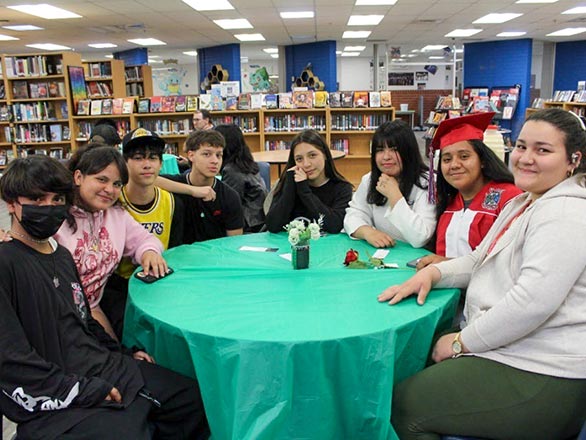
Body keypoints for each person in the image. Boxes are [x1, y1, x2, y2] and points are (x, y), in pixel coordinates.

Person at [379, 108, 586, 440]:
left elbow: (531, 302)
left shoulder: (565, 211)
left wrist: (461, 343)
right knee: (415, 356)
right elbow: (477, 260)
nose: (526, 158)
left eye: (543, 150)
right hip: (514, 351)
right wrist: (432, 275)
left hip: (543, 372)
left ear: (573, 159)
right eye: (521, 146)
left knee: (400, 407)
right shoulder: (523, 203)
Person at [0, 155, 208, 439]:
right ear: (11, 203)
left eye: (56, 200)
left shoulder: (61, 256)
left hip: (101, 363)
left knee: (192, 399)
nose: (48, 207)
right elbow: (10, 359)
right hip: (58, 387)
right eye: (37, 200)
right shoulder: (6, 261)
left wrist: (123, 352)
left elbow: (83, 318)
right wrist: (80, 389)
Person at [55, 146, 168, 340]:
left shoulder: (117, 215)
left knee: (127, 356)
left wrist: (149, 252)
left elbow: (145, 239)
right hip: (55, 317)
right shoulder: (54, 216)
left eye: (117, 184)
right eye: (101, 179)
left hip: (92, 309)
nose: (110, 190)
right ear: (78, 177)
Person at [102, 128, 184, 339]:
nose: (147, 165)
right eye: (138, 158)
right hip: (120, 287)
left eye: (153, 158)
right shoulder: (112, 203)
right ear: (124, 163)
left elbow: (175, 251)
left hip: (161, 281)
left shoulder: (173, 203)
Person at [415, 112, 522, 269]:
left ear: (483, 160)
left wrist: (448, 265)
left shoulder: (508, 198)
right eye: (447, 159)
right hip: (446, 288)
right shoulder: (448, 202)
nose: (454, 165)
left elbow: (509, 263)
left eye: (464, 156)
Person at [343, 119, 436, 248]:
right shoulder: (370, 180)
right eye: (380, 150)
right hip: (386, 254)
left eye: (394, 149)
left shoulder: (428, 183)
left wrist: (394, 196)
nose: (386, 157)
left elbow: (420, 237)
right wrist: (367, 232)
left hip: (419, 260)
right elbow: (354, 213)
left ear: (408, 151)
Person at [158, 129, 244, 243]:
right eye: (206, 154)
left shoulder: (230, 197)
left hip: (215, 257)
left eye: (219, 155)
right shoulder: (175, 185)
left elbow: (235, 243)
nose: (215, 161)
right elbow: (144, 180)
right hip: (179, 257)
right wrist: (193, 190)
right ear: (191, 155)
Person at [265, 129, 353, 234]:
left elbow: (334, 226)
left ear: (324, 154)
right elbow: (272, 226)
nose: (306, 164)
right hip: (291, 248)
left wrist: (304, 191)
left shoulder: (342, 188)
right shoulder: (289, 184)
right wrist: (290, 186)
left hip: (327, 247)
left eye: (312, 155)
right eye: (299, 159)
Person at [215, 123, 267, 233]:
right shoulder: (245, 162)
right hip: (259, 219)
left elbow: (229, 204)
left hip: (248, 224)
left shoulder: (231, 170)